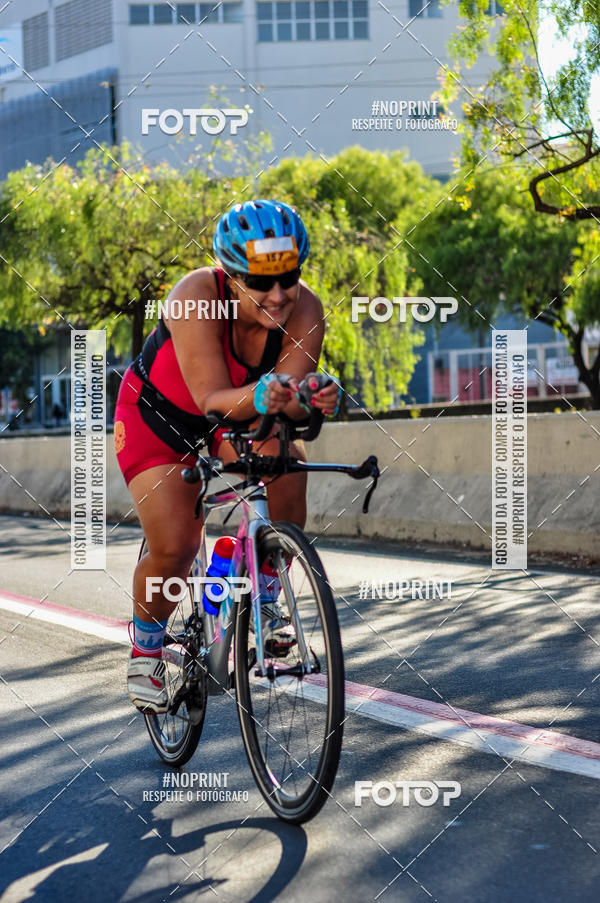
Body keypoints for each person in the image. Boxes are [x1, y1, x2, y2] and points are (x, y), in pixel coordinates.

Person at [113, 199, 342, 713]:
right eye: (261, 284)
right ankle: (147, 646)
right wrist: (267, 392)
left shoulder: (305, 308)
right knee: (175, 544)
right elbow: (210, 397)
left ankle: (265, 590)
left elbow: (288, 399)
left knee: (287, 460)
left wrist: (314, 396)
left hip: (233, 413)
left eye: (290, 277)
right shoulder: (195, 295)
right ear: (229, 275)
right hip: (160, 414)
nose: (280, 295)